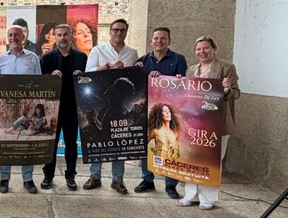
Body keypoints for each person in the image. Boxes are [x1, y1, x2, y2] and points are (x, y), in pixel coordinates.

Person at [179, 36, 240, 210]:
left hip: (216, 122)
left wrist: (227, 90)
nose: (202, 52)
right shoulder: (191, 70)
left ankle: (208, 198)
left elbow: (236, 93)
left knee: (212, 160)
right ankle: (191, 195)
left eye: (206, 48)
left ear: (214, 49)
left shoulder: (227, 68)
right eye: (198, 49)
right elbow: (186, 94)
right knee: (192, 158)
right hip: (195, 121)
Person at [84, 19, 139, 194]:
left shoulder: (132, 52)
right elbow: (88, 72)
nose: (118, 33)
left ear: (126, 32)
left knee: (119, 140)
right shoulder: (98, 50)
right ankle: (95, 176)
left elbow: (135, 75)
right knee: (98, 140)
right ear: (110, 31)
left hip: (119, 103)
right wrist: (106, 66)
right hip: (100, 97)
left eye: (122, 30)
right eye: (115, 30)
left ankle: (117, 180)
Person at [133, 27, 188, 199]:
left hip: (169, 111)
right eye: (156, 38)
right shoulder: (142, 60)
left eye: (163, 38)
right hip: (147, 110)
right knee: (147, 146)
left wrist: (166, 77)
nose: (159, 41)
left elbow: (183, 83)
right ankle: (147, 179)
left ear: (169, 41)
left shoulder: (179, 59)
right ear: (151, 41)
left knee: (170, 146)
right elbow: (136, 85)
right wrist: (137, 71)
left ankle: (171, 185)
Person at [0, 25, 42, 194]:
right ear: (7, 38)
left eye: (17, 35)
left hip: (27, 107)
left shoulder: (33, 58)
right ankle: (4, 178)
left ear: (24, 38)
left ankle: (28, 180)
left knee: (27, 142)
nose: (13, 38)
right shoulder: (0, 60)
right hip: (6, 107)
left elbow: (39, 83)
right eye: (10, 35)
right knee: (5, 140)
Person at [40, 23, 87, 190]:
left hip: (72, 108)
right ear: (54, 37)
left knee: (71, 143)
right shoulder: (46, 58)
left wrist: (82, 77)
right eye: (59, 35)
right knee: (50, 143)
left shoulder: (82, 58)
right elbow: (39, 84)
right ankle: (48, 175)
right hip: (52, 109)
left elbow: (88, 83)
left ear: (71, 35)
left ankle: (70, 176)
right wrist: (49, 77)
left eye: (65, 34)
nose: (62, 38)